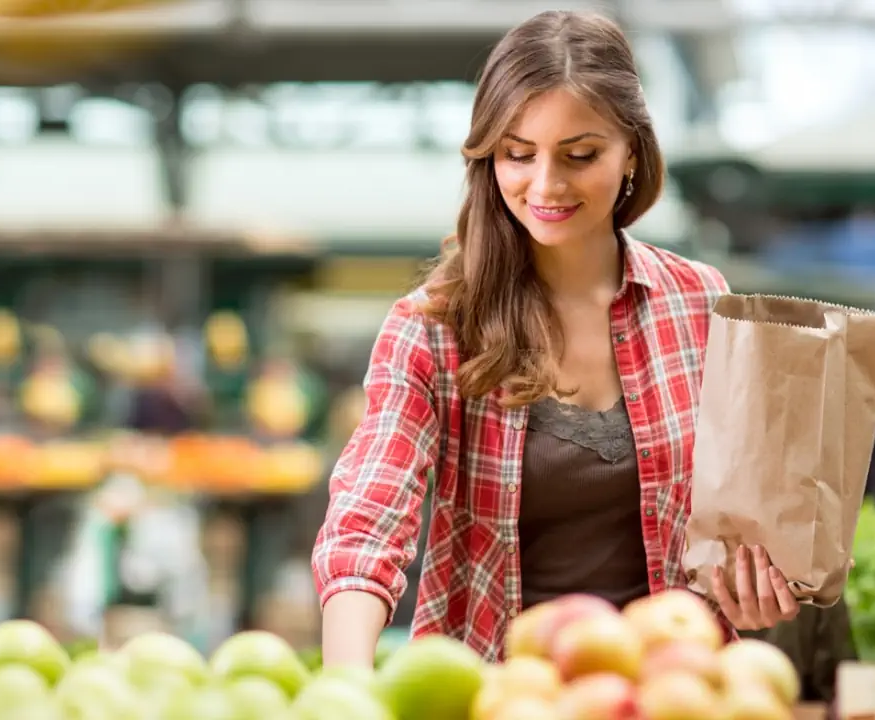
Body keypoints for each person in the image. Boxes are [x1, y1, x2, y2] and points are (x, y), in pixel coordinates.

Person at [311, 10, 800, 667]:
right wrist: (347, 682)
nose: (545, 185)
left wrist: (758, 586)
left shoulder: (699, 304)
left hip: (673, 691)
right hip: (497, 694)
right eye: (518, 154)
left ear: (632, 150)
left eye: (580, 155)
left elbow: (748, 521)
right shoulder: (434, 325)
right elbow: (369, 515)